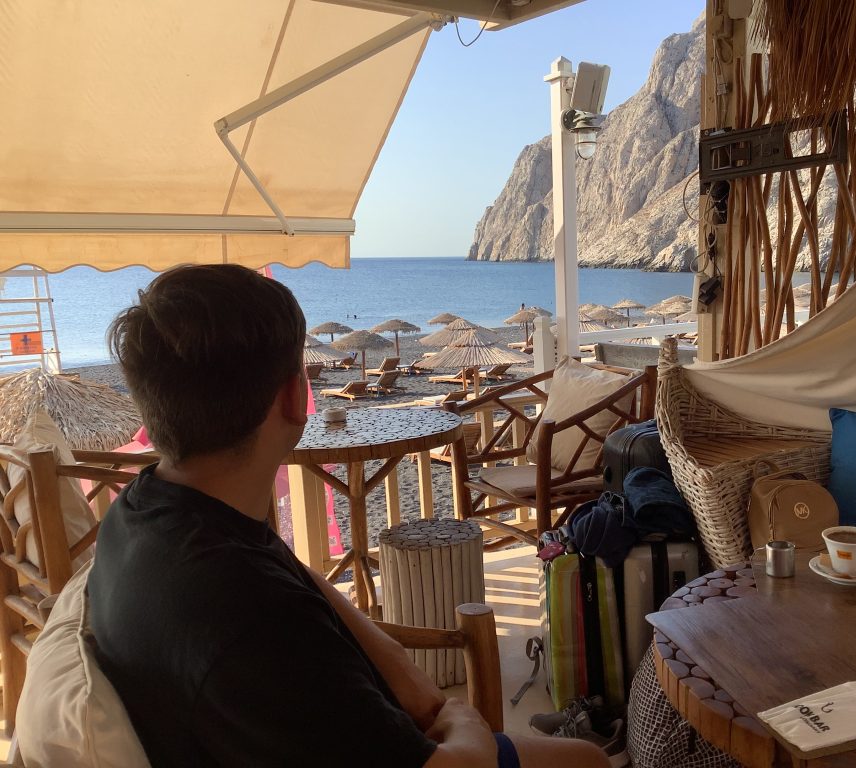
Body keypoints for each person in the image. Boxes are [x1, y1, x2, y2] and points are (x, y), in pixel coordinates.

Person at [89, 265, 610, 768]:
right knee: (588, 759)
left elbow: (289, 567)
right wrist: (461, 718)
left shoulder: (144, 510)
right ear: (296, 396)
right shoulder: (255, 618)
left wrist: (405, 674)